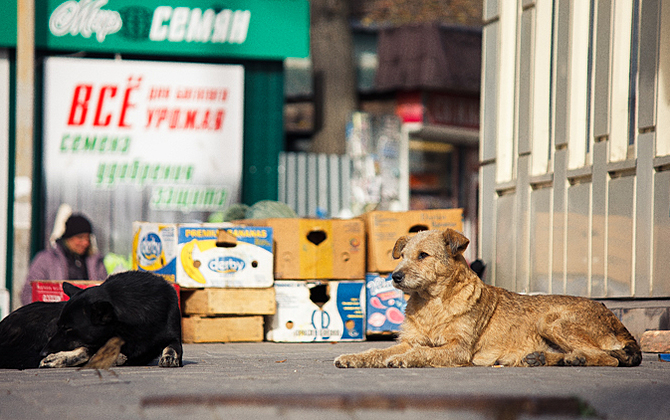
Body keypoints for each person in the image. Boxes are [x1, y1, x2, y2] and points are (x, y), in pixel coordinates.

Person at [22, 214, 108, 305]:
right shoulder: (45, 260)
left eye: (88, 238)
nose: (85, 243)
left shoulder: (96, 262)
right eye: (80, 238)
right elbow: (28, 293)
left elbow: (105, 291)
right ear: (68, 237)